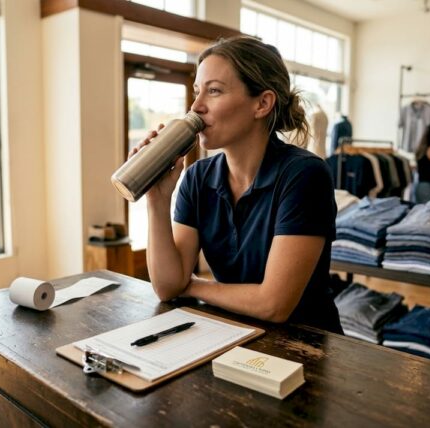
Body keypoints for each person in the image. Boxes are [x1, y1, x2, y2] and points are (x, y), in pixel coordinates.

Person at [131, 36, 342, 332]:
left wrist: (193, 287)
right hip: (232, 334)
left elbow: (274, 304)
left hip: (306, 346)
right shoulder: (197, 178)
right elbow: (167, 287)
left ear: (262, 103)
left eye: (214, 91)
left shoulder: (305, 175)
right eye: (197, 92)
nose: (196, 107)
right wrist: (157, 199)